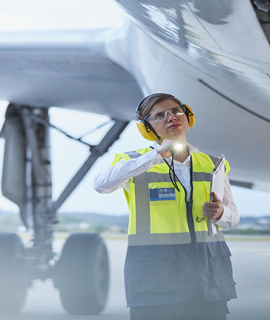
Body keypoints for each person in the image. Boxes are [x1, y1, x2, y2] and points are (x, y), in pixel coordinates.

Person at [93, 93, 239, 320]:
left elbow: (233, 218)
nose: (171, 117)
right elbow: (101, 185)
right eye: (159, 115)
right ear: (146, 128)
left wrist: (221, 213)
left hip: (208, 278)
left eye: (176, 110)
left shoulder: (213, 164)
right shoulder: (133, 162)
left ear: (188, 115)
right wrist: (155, 156)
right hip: (156, 278)